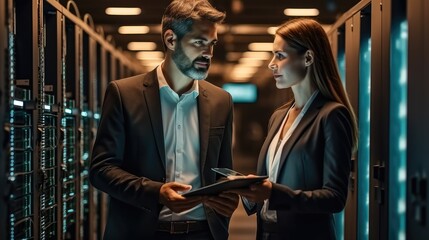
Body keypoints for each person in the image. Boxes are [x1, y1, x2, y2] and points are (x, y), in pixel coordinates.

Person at [89, 0, 239, 239]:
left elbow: (223, 171)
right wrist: (156, 192)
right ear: (171, 40)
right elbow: (101, 170)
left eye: (212, 44)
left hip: (202, 233)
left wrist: (229, 198)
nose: (208, 54)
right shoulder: (124, 94)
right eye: (199, 42)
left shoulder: (222, 101)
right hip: (141, 232)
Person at [228, 18, 358, 240]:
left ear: (308, 58)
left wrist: (273, 192)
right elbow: (271, 181)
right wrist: (250, 189)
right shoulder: (278, 116)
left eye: (279, 55)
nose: (271, 64)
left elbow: (335, 198)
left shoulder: (332, 116)